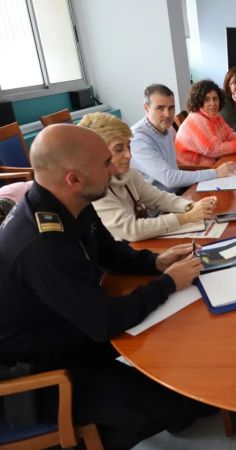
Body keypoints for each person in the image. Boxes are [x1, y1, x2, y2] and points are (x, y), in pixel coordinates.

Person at [0, 124, 215, 450]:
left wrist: (155, 263)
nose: (115, 169)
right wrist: (168, 283)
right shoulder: (41, 246)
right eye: (105, 163)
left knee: (174, 344)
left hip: (67, 329)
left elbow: (111, 252)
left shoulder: (70, 201)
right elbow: (104, 322)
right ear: (74, 179)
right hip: (37, 374)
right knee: (172, 405)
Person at [79, 112, 217, 242]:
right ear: (98, 153)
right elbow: (131, 230)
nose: (128, 155)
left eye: (128, 147)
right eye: (119, 149)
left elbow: (159, 198)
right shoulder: (94, 189)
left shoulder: (129, 173)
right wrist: (186, 218)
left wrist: (191, 206)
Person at [129, 84, 236, 194]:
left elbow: (174, 170)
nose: (167, 114)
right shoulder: (137, 138)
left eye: (171, 108)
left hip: (179, 190)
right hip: (160, 201)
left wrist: (215, 172)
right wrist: (215, 173)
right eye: (160, 108)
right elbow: (169, 179)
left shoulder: (166, 127)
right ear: (146, 108)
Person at [175, 80, 236, 167]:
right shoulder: (197, 119)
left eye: (215, 98)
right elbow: (214, 150)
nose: (212, 103)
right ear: (198, 101)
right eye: (206, 100)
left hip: (214, 163)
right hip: (195, 170)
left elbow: (229, 134)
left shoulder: (214, 115)